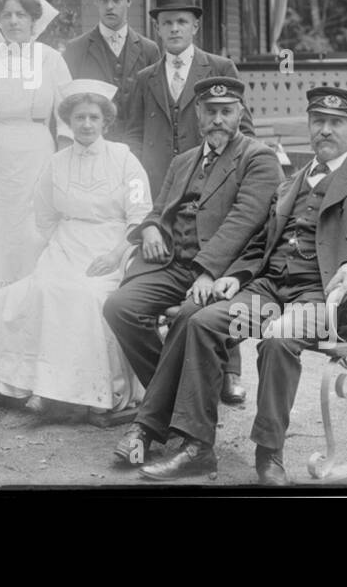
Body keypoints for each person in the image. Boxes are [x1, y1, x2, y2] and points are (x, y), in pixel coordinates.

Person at [133, 86, 347, 484]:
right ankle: (197, 447)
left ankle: (270, 455)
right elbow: (261, 243)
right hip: (269, 293)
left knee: (279, 339)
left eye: (336, 123)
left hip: (325, 301)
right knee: (201, 322)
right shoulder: (292, 182)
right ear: (309, 126)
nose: (325, 131)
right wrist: (235, 275)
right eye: (318, 122)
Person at [105, 76, 281, 469]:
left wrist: (207, 271)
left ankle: (149, 425)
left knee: (189, 316)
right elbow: (158, 210)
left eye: (226, 112)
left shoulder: (258, 158)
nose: (218, 120)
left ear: (240, 114)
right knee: (119, 306)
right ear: (198, 115)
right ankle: (177, 406)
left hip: (224, 272)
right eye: (210, 112)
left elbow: (244, 221)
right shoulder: (183, 160)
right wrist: (149, 227)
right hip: (173, 264)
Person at [0, 79, 151, 416]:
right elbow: (45, 214)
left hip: (112, 246)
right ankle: (44, 388)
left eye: (93, 117)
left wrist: (116, 255)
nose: (87, 124)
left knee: (88, 296)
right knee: (43, 289)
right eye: (79, 118)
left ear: (106, 122)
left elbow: (140, 217)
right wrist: (60, 249)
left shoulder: (125, 160)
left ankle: (88, 391)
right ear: (69, 122)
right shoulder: (56, 162)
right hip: (65, 246)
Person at [0, 0, 73, 316]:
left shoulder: (52, 60)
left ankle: (31, 322)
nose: (13, 20)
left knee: (31, 236)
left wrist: (61, 180)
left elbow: (66, 126)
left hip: (36, 156)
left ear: (35, 20)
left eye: (21, 14)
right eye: (6, 14)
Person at [125, 0, 252, 198]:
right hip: (156, 186)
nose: (174, 28)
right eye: (167, 23)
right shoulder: (145, 78)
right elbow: (134, 135)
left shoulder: (220, 68)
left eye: (182, 22)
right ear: (157, 28)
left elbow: (244, 130)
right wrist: (138, 177)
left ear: (195, 27)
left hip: (209, 184)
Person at [61, 0, 159, 144]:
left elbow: (154, 109)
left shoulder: (149, 50)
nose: (109, 6)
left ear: (129, 0)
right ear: (95, 1)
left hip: (138, 150)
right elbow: (68, 106)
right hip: (91, 146)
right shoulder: (76, 49)